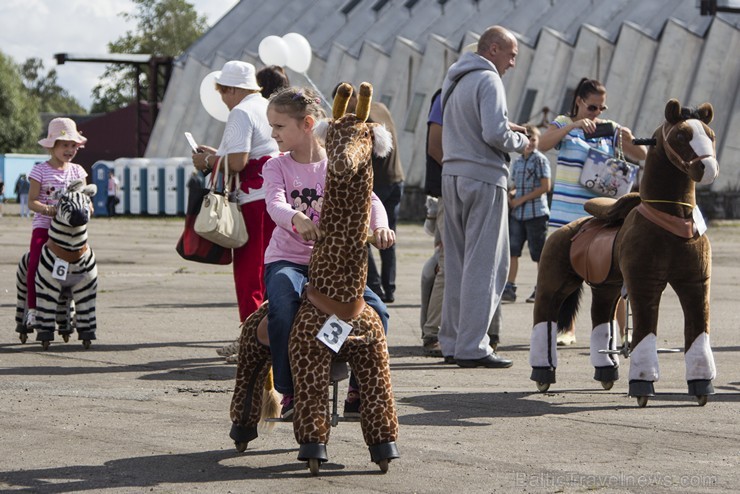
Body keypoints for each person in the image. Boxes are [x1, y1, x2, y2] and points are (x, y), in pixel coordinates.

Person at [261, 86, 394, 419]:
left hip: (334, 268)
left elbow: (371, 199)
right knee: (282, 304)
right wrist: (296, 216)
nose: (272, 133)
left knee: (378, 311)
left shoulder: (336, 164)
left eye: (279, 126)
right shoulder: (275, 166)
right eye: (272, 126)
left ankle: (357, 387)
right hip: (288, 260)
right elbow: (274, 204)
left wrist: (381, 225)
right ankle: (290, 390)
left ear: (307, 124)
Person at [438, 26, 529, 369]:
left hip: (453, 174)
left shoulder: (456, 79)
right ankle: (473, 345)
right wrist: (522, 142)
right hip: (483, 176)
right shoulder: (489, 80)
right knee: (488, 263)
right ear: (493, 49)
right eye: (511, 54)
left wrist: (507, 126)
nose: (512, 63)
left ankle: (452, 340)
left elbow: (473, 126)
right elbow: (493, 132)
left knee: (458, 263)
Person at [539, 77, 647, 345]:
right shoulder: (564, 124)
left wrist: (627, 138)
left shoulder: (609, 130)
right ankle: (566, 329)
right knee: (564, 278)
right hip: (566, 215)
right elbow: (542, 144)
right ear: (579, 102)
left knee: (613, 276)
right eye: (592, 108)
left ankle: (625, 334)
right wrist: (574, 125)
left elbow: (642, 154)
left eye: (602, 109)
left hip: (602, 216)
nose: (597, 114)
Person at [191, 61, 280, 356]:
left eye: (223, 93)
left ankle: (252, 338)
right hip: (275, 196)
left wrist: (207, 162)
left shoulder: (241, 111)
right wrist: (220, 156)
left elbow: (240, 162)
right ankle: (271, 333)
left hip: (253, 198)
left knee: (247, 271)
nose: (223, 100)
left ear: (231, 89)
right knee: (272, 268)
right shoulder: (266, 105)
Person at [332, 82, 403, 303]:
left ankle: (375, 286)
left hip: (376, 184)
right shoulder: (381, 107)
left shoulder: (362, 121)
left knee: (364, 234)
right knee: (388, 234)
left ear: (350, 97)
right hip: (397, 179)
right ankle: (389, 288)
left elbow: (359, 156)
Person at [24, 118, 89, 328]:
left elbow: (85, 198)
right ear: (53, 146)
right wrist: (47, 209)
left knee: (84, 267)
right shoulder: (39, 171)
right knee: (34, 263)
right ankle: (33, 309)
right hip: (45, 225)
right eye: (65, 145)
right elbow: (31, 201)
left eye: (73, 145)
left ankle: (79, 309)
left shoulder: (78, 171)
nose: (70, 150)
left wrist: (88, 209)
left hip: (72, 229)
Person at [502, 124, 551, 304]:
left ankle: (542, 287)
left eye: (533, 139)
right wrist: (511, 194)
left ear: (538, 141)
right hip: (518, 214)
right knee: (513, 251)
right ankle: (510, 287)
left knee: (538, 253)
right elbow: (516, 186)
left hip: (536, 213)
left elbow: (545, 187)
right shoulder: (518, 162)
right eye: (527, 138)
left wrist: (520, 200)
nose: (529, 142)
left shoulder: (540, 160)